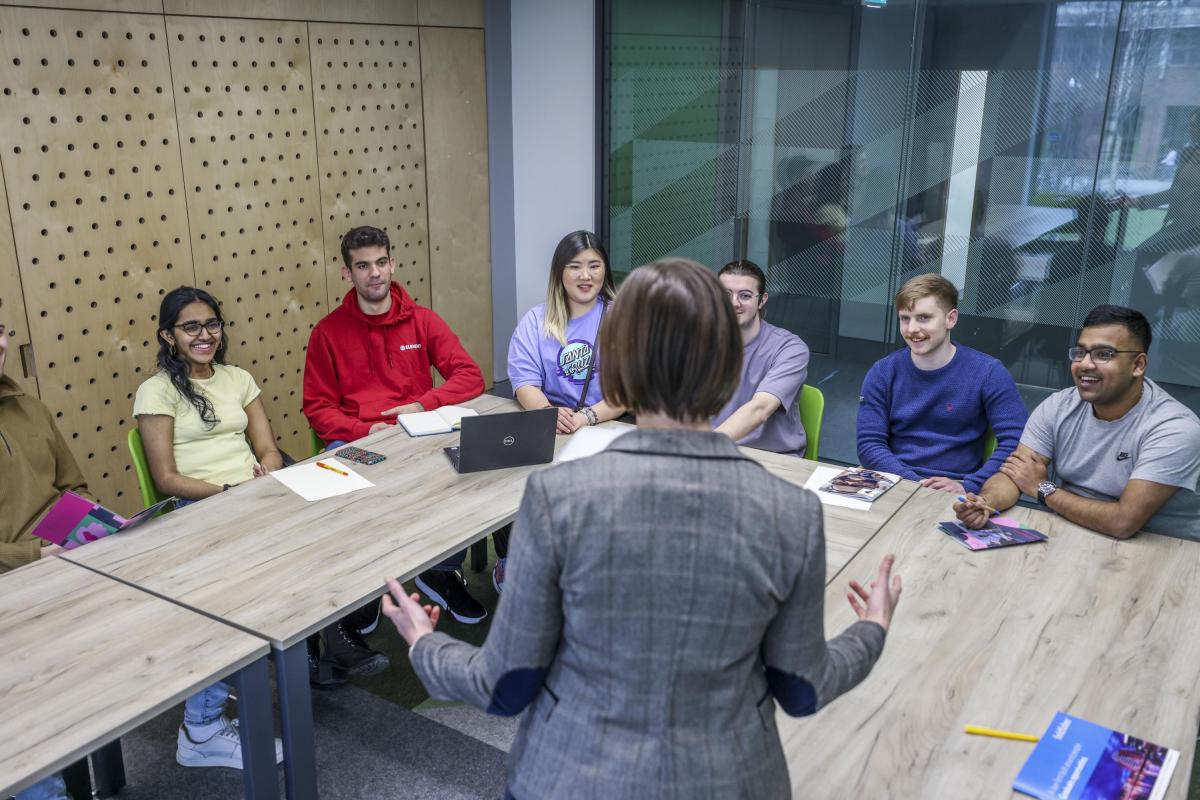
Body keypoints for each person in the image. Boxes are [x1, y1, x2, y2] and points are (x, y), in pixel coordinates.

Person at [383, 258, 902, 800]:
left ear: (620, 376)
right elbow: (803, 687)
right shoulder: (792, 512)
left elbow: (503, 685)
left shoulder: (557, 497)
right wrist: (872, 629)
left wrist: (423, 642)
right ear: (727, 372)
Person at [132, 286, 285, 769]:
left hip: (252, 501)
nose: (204, 335)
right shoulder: (158, 390)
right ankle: (201, 728)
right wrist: (227, 494)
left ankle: (298, 654)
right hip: (201, 510)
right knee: (239, 608)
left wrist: (265, 470)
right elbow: (166, 478)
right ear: (168, 336)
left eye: (212, 324)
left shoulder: (238, 377)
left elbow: (269, 448)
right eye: (190, 327)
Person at [304, 225, 487, 624]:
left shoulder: (422, 321)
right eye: (363, 266)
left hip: (418, 433)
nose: (375, 273)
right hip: (359, 439)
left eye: (381, 263)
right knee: (350, 493)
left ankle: (438, 573)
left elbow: (470, 377)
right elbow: (318, 409)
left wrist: (423, 404)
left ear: (393, 264)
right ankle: (366, 586)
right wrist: (364, 430)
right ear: (347, 274)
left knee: (461, 475)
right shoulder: (327, 333)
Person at [956, 305, 1200, 540]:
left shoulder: (1174, 428)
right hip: (1071, 529)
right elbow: (1015, 474)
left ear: (1138, 365)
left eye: (1104, 354)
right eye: (1081, 352)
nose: (1085, 364)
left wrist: (1044, 489)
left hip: (1165, 548)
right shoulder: (1059, 405)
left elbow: (1123, 522)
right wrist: (986, 502)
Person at [1, 314, 89, 800]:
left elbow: (73, 486)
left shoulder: (27, 407)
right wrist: (35, 556)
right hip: (14, 581)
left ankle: (198, 729)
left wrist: (85, 526)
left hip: (62, 565)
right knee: (26, 713)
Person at [857, 273, 1027, 496]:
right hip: (894, 481)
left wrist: (970, 484)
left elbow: (1017, 441)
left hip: (958, 487)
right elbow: (869, 443)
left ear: (951, 319)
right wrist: (912, 483)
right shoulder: (883, 372)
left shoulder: (988, 372)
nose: (912, 329)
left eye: (924, 318)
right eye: (905, 318)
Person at [507, 230, 626, 434]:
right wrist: (546, 412)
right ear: (559, 272)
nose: (585, 275)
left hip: (609, 425)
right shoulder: (535, 320)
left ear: (605, 270)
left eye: (594, 266)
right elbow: (524, 381)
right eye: (575, 267)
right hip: (554, 426)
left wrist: (584, 417)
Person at [712, 259, 810, 456]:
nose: (734, 303)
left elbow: (760, 409)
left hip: (769, 457)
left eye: (745, 295)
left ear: (762, 299)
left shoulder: (789, 349)